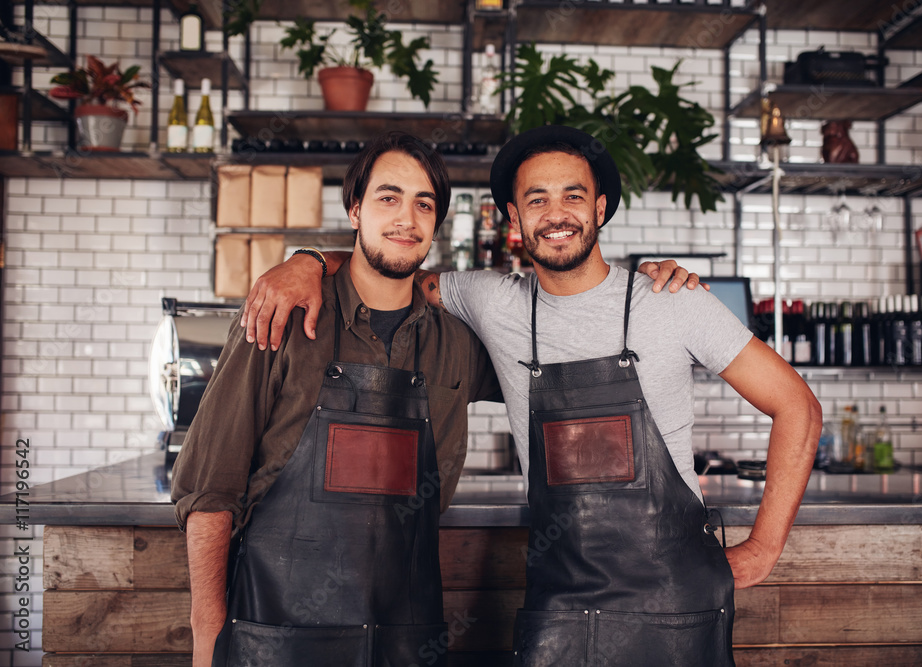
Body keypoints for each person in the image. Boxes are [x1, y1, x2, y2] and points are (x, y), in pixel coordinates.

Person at [243, 125, 821, 666]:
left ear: (599, 208)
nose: (557, 213)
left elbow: (797, 405)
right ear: (514, 216)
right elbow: (392, 266)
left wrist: (765, 546)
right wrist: (309, 261)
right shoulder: (491, 300)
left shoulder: (671, 300)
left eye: (573, 196)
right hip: (559, 608)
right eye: (537, 199)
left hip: (678, 606)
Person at [171, 131, 510, 667]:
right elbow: (210, 488)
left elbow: (556, 332)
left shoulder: (458, 343)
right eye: (388, 197)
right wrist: (208, 637)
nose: (407, 218)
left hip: (406, 634)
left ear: (437, 224)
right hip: (278, 635)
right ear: (355, 210)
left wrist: (651, 286)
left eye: (425, 204)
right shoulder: (279, 315)